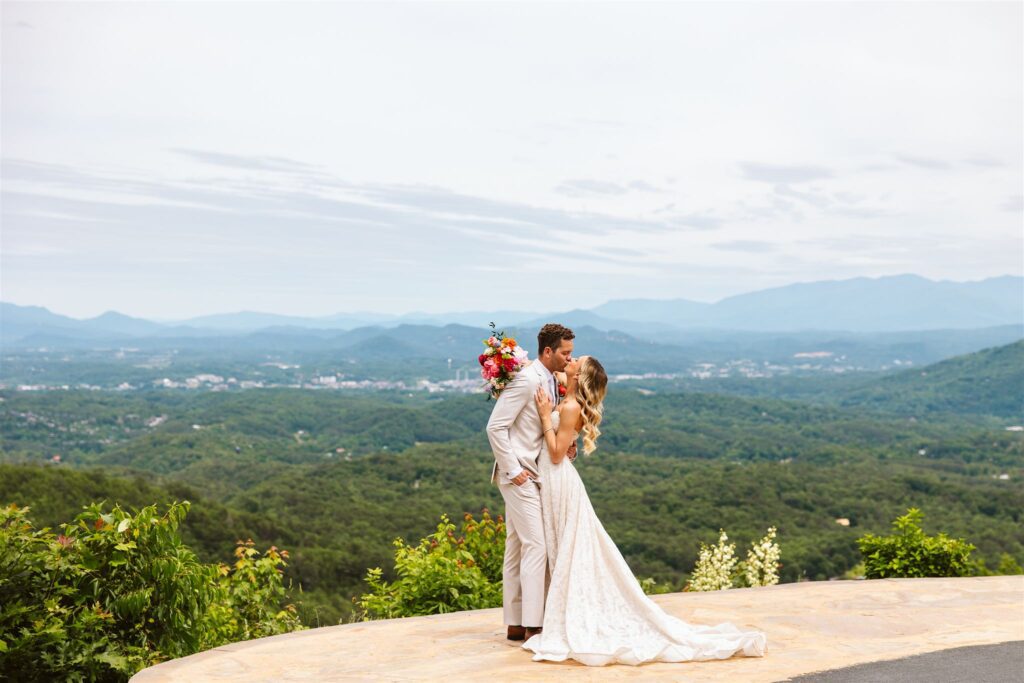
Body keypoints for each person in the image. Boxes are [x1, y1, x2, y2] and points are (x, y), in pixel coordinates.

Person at [523, 354, 768, 666]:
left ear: (580, 374)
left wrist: (546, 417)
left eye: (576, 359)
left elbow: (557, 453)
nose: (570, 358)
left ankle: (567, 616)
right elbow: (553, 379)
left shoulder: (570, 407)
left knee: (565, 548)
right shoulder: (570, 398)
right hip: (557, 479)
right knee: (563, 548)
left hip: (558, 479)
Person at [485, 323, 574, 642]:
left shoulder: (551, 380)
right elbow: (495, 428)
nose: (568, 358)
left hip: (534, 473)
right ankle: (536, 623)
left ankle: (515, 623)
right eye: (565, 353)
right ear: (548, 351)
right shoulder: (526, 380)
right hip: (519, 475)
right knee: (537, 544)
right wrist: (512, 470)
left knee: (517, 547)